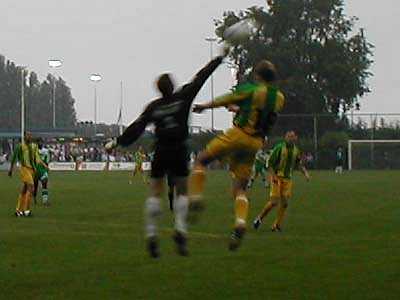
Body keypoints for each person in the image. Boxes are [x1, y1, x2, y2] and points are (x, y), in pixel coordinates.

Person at [105, 49, 227, 258]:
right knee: (181, 189)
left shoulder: (154, 107)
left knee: (155, 191)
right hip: (179, 149)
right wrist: (218, 59)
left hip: (161, 150)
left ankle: (152, 234)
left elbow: (137, 127)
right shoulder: (183, 96)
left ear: (159, 90)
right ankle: (180, 230)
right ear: (173, 86)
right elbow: (201, 77)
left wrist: (118, 141)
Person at [190, 60, 285, 250]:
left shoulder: (253, 89)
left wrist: (205, 106)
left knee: (201, 160)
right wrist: (240, 109)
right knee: (240, 188)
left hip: (239, 134)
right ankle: (240, 223)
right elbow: (258, 111)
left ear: (257, 76)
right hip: (256, 142)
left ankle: (196, 198)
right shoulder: (280, 98)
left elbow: (226, 98)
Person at [253, 131, 310, 231]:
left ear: (295, 138)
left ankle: (277, 225)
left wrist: (305, 173)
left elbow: (298, 164)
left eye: (292, 136)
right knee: (274, 202)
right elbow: (269, 163)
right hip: (277, 178)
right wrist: (273, 176)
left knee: (285, 203)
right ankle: (259, 218)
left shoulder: (296, 150)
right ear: (285, 137)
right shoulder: (279, 148)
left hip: (287, 179)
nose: (290, 138)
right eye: (289, 136)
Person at [8, 132, 47, 217]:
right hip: (24, 168)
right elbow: (14, 158)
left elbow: (37, 157)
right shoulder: (20, 147)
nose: (29, 136)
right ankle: (26, 210)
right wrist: (11, 169)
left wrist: (43, 165)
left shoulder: (34, 146)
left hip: (32, 170)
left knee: (25, 189)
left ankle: (18, 210)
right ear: (24, 137)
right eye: (28, 135)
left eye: (30, 135)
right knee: (31, 187)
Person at [33, 141, 50, 206]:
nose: (40, 144)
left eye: (41, 143)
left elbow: (47, 160)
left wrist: (46, 168)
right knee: (35, 186)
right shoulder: (34, 151)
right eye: (39, 143)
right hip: (35, 170)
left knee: (44, 183)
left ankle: (45, 201)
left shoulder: (46, 151)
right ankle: (34, 198)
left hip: (43, 170)